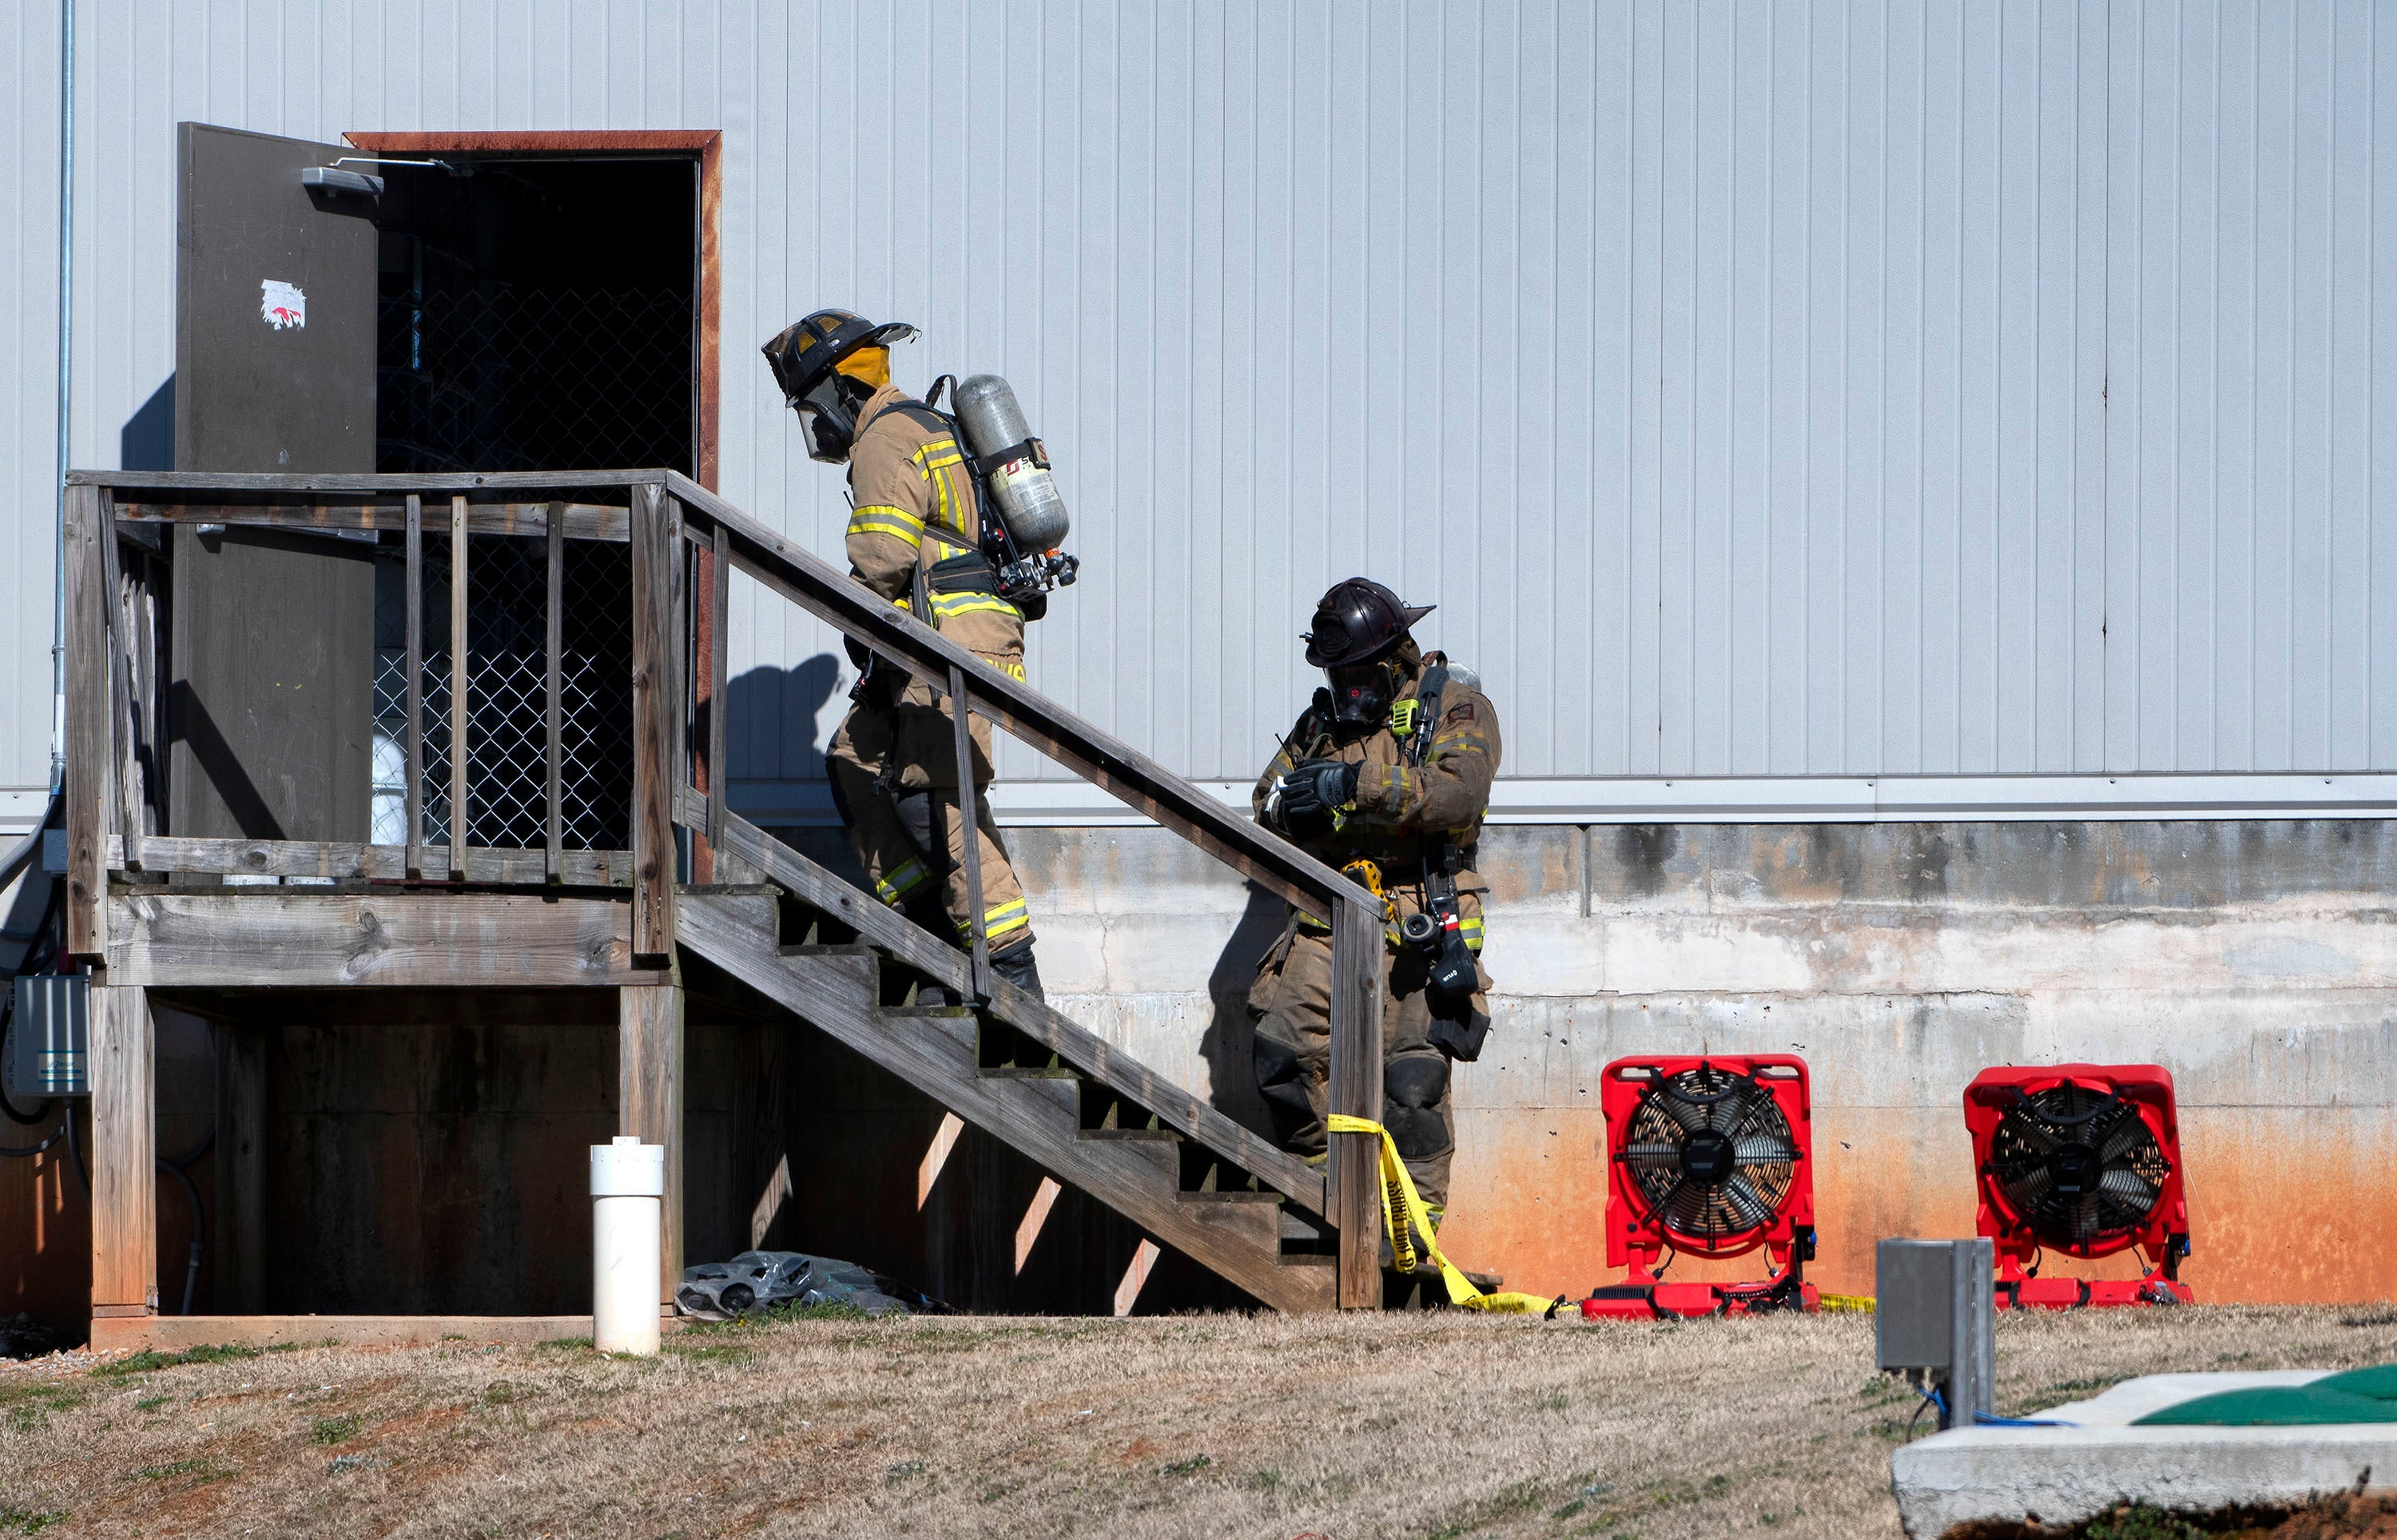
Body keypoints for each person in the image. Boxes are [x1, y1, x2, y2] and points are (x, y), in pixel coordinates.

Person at [761, 309, 1044, 998]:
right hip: (930, 643)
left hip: (945, 646)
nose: (814, 424)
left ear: (836, 391)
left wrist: (849, 609)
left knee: (939, 801)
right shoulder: (921, 425)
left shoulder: (885, 439)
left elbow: (882, 558)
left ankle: (1010, 977)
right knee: (855, 762)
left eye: (810, 406)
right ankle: (931, 931)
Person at [1248, 578, 1501, 1259]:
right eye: (1334, 673)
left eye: (1356, 673)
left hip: (1423, 915)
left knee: (1410, 1088)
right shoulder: (1322, 722)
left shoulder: (1455, 707)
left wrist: (1352, 786)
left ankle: (1406, 1249)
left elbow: (1455, 796)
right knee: (1282, 1052)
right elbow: (1266, 796)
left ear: (1393, 660)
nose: (1344, 685)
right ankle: (1326, 1204)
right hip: (1331, 913)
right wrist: (1294, 806)